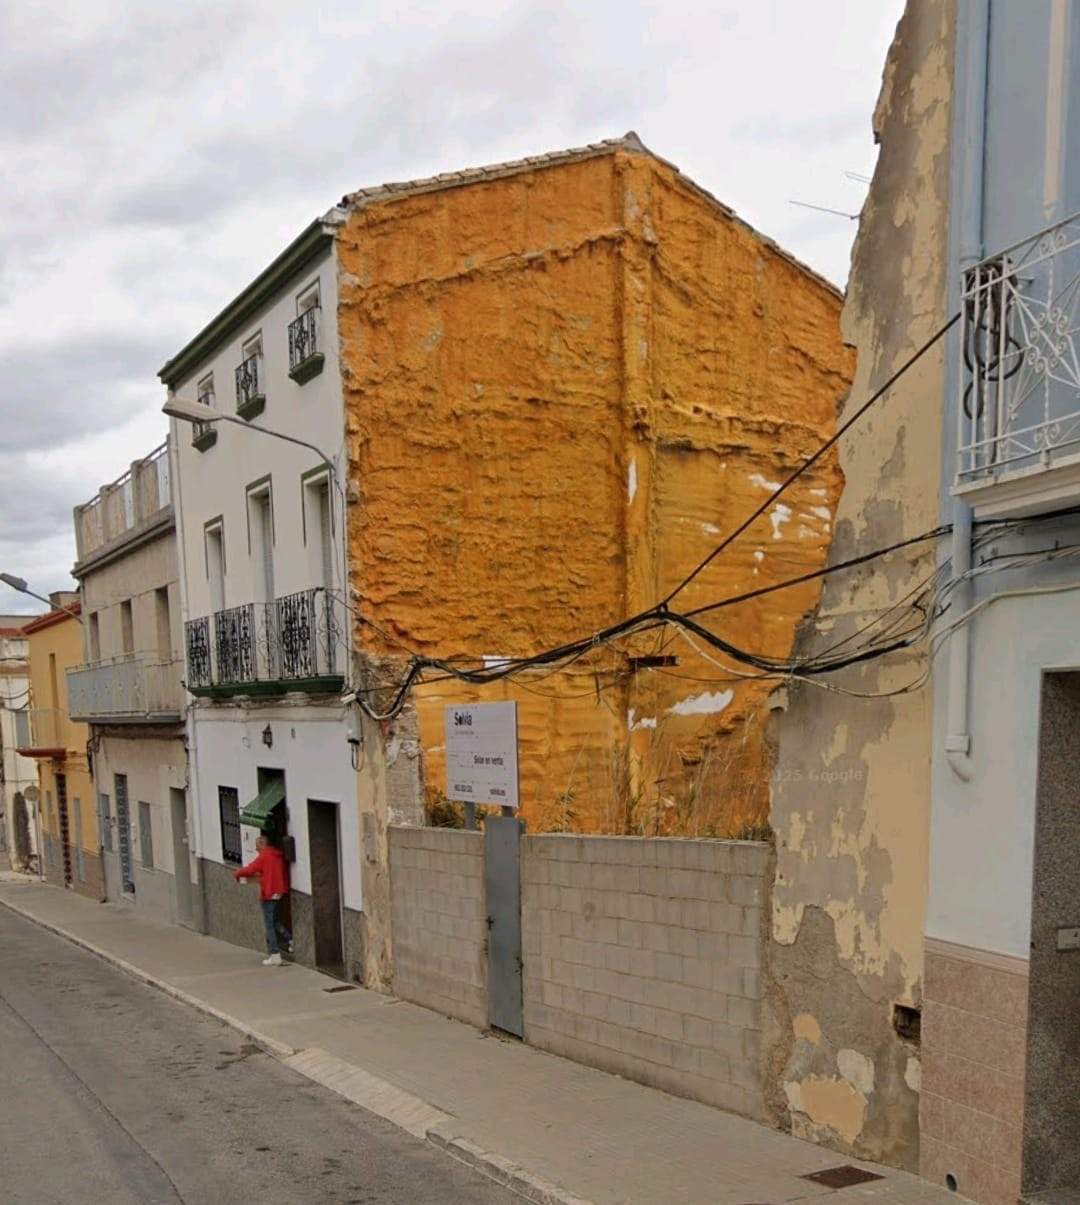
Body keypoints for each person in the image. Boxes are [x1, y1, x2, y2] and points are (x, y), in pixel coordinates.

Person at [234, 833, 293, 966]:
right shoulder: (278, 856)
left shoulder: (264, 856)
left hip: (269, 892)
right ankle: (290, 940)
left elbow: (251, 869)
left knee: (269, 925)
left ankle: (275, 954)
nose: (256, 849)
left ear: (262, 844)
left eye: (257, 846)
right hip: (279, 892)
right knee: (276, 921)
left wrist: (237, 873)